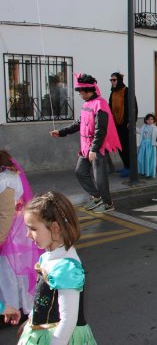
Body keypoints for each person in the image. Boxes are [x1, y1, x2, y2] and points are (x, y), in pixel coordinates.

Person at [18, 192, 97, 345]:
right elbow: (43, 299)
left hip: (60, 337)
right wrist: (30, 320)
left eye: (33, 229)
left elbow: (68, 321)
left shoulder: (66, 269)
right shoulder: (51, 255)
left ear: (55, 228)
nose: (28, 235)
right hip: (43, 330)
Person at [50, 73, 121, 213]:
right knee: (80, 172)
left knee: (99, 178)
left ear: (88, 90)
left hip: (97, 148)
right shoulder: (87, 104)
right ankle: (97, 197)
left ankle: (108, 203)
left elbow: (101, 129)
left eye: (80, 92)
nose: (79, 94)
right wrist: (61, 132)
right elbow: (79, 124)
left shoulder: (101, 104)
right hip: (85, 147)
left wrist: (94, 149)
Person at [0, 151, 40, 324]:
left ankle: (16, 308)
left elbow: (5, 214)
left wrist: (0, 239)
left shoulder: (5, 180)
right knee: (14, 272)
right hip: (14, 229)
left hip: (11, 233)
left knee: (10, 272)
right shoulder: (8, 176)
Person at [108, 72, 137, 177]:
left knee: (126, 147)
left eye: (114, 80)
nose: (112, 82)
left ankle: (130, 168)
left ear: (119, 80)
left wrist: (131, 121)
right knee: (119, 146)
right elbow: (110, 106)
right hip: (116, 124)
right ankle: (125, 166)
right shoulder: (113, 92)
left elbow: (133, 106)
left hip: (126, 124)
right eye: (111, 80)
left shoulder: (127, 91)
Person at [137, 113, 157, 178]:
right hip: (143, 145)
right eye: (148, 119)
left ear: (154, 120)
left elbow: (155, 137)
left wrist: (154, 145)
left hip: (150, 145)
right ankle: (143, 171)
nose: (150, 121)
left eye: (152, 119)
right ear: (145, 120)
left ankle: (149, 173)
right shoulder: (144, 126)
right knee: (141, 158)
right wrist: (133, 127)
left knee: (149, 159)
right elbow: (140, 131)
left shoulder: (154, 128)